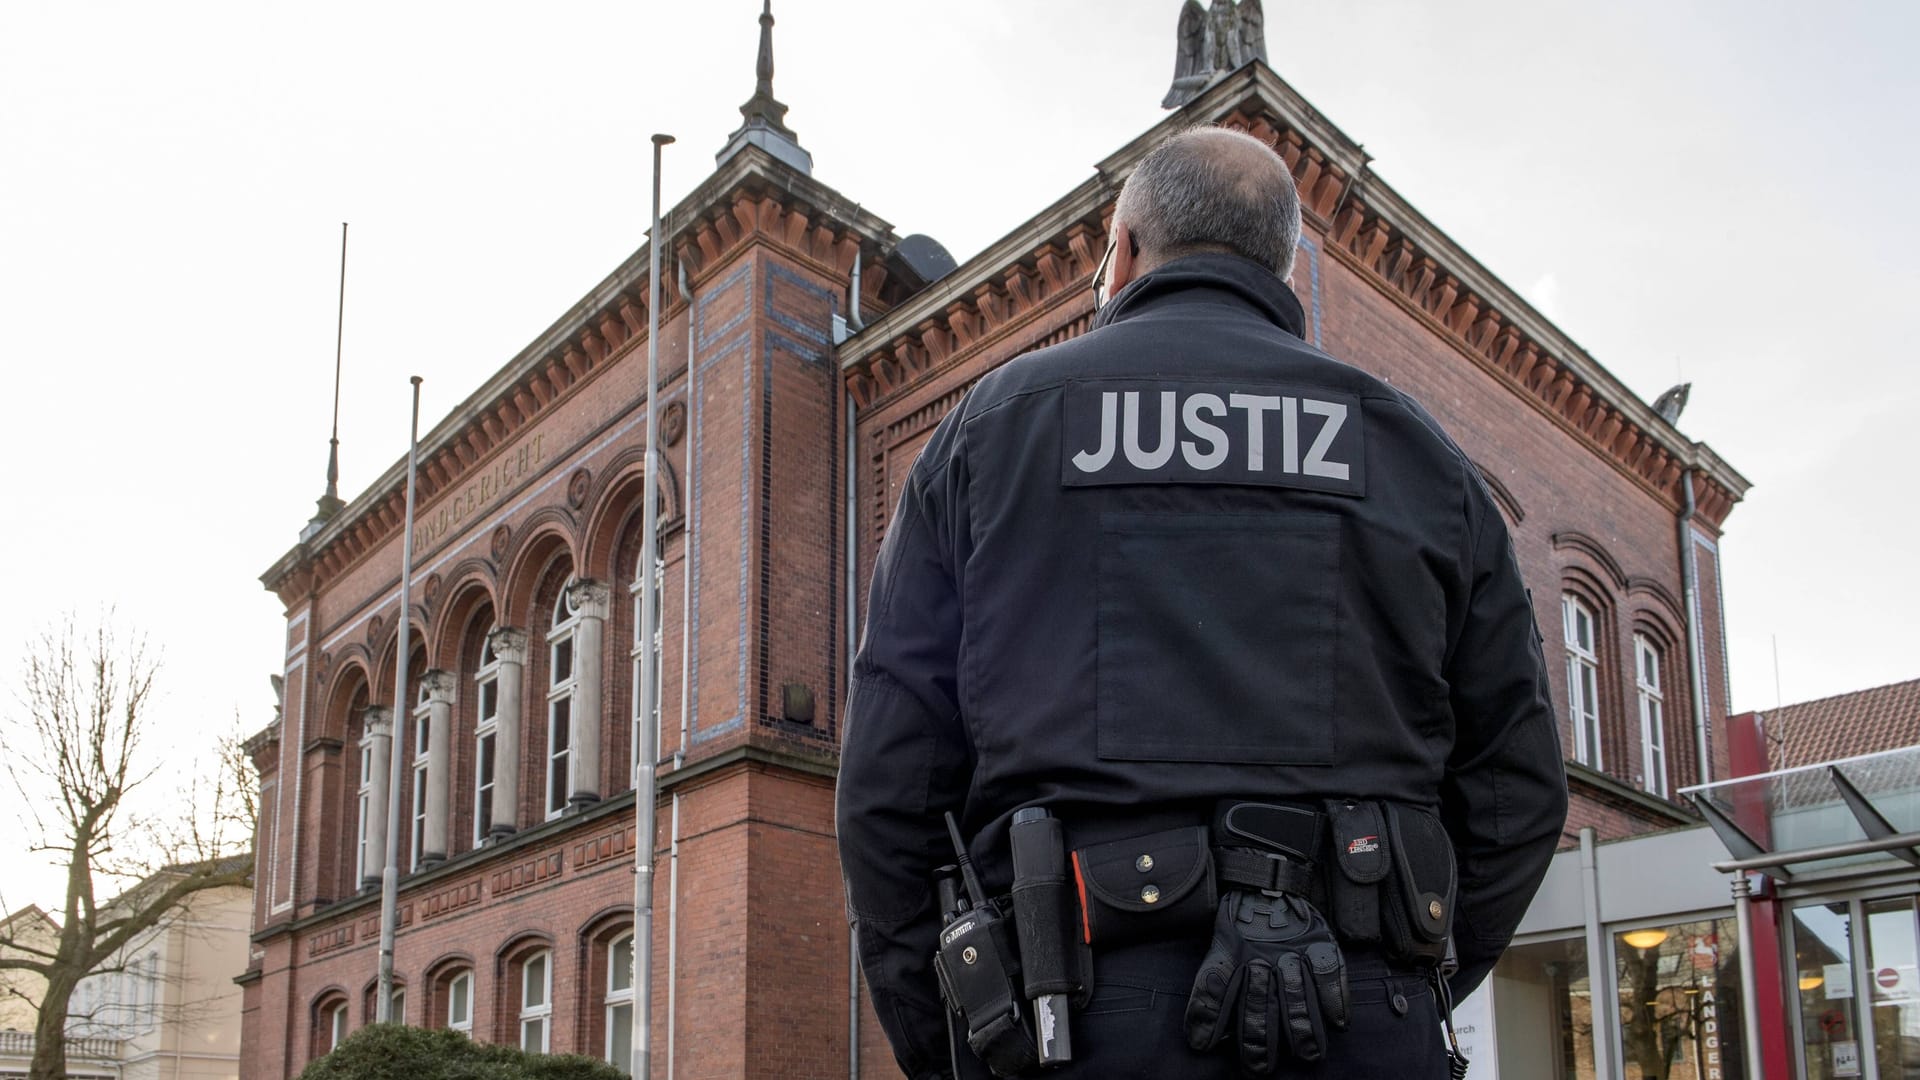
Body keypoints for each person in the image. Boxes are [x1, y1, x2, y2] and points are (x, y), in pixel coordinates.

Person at [836, 125, 1567, 1080]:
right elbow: (1516, 787)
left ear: (1126, 249)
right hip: (1360, 1017)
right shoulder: (1419, 456)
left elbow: (891, 785)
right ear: (1285, 264)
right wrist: (1401, 971)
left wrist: (962, 1033)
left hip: (1068, 1028)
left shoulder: (995, 430)